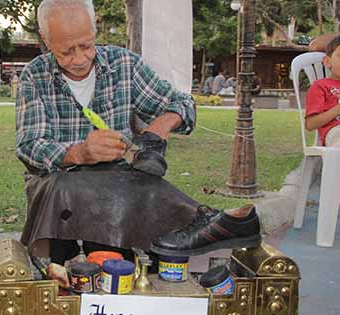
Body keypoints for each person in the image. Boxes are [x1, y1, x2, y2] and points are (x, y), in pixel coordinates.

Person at [16, 0, 260, 264]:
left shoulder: (123, 65)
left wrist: (160, 126)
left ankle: (209, 223)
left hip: (117, 186)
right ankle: (212, 222)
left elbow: (182, 103)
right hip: (59, 189)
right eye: (66, 52)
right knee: (69, 187)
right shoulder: (35, 76)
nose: (79, 59)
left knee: (143, 184)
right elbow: (30, 145)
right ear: (45, 39)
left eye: (86, 45)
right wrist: (79, 153)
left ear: (94, 28)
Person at [305, 35, 340, 147]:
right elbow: (310, 124)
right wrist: (338, 109)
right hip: (336, 131)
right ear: (327, 61)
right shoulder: (321, 86)